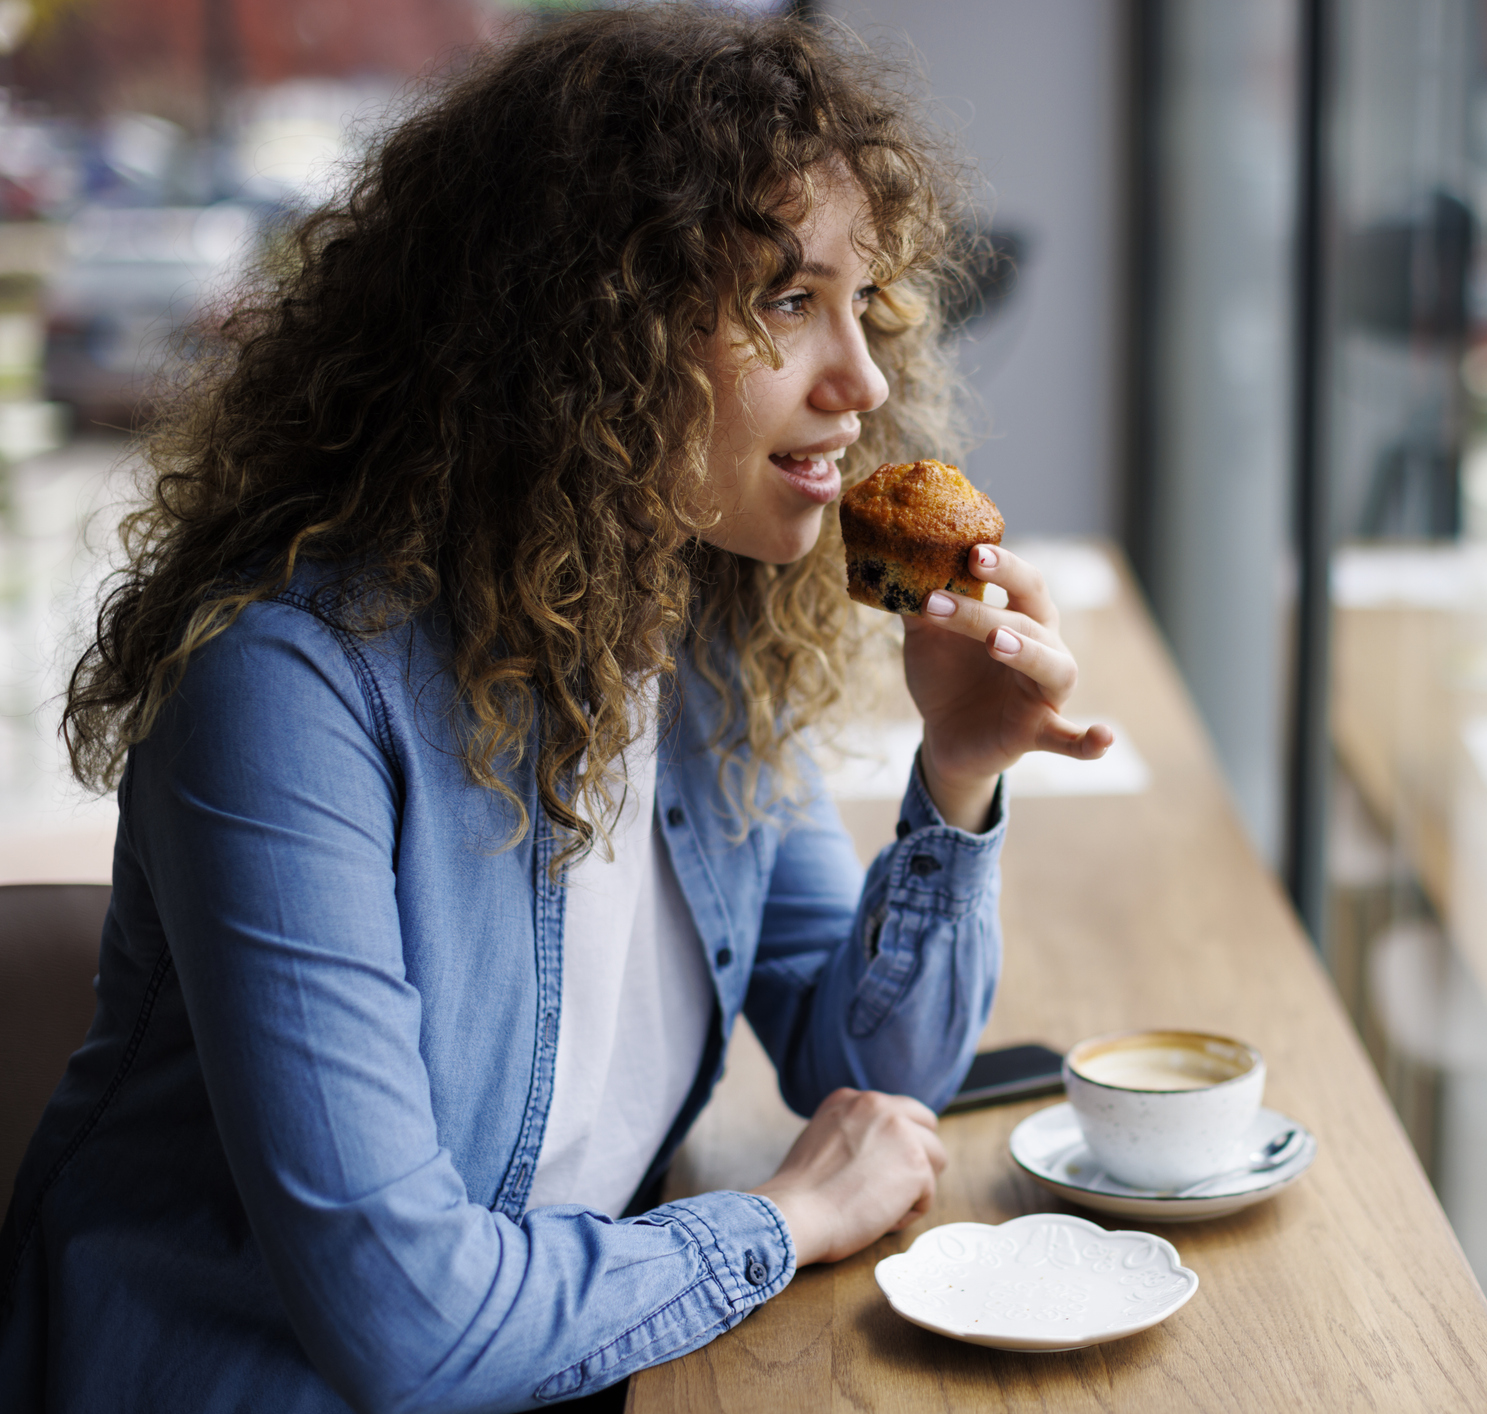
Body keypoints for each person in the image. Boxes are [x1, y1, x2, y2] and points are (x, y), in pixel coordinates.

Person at [0, 9, 1110, 1411]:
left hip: (577, 1365)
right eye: (786, 301)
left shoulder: (696, 635)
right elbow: (409, 1321)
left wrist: (959, 771)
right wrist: (782, 1220)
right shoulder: (284, 694)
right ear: (588, 333)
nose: (868, 381)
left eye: (863, 305)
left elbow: (868, 1072)